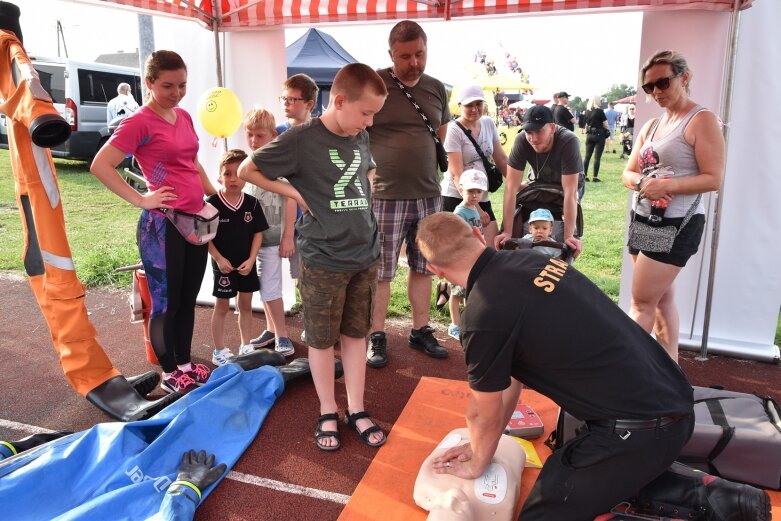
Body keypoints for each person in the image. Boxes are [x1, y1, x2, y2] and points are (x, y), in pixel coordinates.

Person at [417, 212, 695, 520]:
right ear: (478, 234)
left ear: (434, 270)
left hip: (645, 430)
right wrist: (483, 448)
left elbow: (482, 412)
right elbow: (508, 381)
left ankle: (708, 497)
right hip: (672, 396)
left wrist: (476, 462)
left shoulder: (483, 315)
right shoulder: (531, 260)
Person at [237, 63, 388, 451]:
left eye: (373, 114)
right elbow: (247, 168)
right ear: (339, 101)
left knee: (356, 336)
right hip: (323, 257)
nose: (369, 123)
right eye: (366, 113)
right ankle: (326, 409)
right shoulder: (302, 139)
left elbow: (366, 174)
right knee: (321, 340)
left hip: (364, 254)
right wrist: (297, 194)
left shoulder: (360, 135)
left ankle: (356, 408)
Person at [91, 50, 217, 394]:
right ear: (148, 83)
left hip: (195, 221)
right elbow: (101, 165)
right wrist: (142, 199)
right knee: (166, 302)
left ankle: (186, 363)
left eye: (182, 85)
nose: (176, 93)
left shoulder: (185, 117)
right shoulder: (139, 122)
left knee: (188, 298)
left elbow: (192, 163)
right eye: (167, 86)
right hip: (162, 226)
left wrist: (214, 194)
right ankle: (168, 370)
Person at [622, 50, 724, 361]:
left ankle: (626, 376)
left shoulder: (701, 119)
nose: (655, 92)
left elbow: (714, 178)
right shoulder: (652, 124)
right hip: (646, 220)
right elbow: (627, 173)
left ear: (685, 77)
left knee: (641, 304)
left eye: (662, 83)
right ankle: (671, 375)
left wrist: (668, 186)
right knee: (661, 300)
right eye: (648, 87)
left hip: (676, 223)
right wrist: (643, 184)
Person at [366, 20, 451, 368]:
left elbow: (441, 135)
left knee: (423, 266)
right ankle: (376, 334)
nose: (414, 62)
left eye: (419, 54)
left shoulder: (436, 88)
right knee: (381, 270)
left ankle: (420, 329)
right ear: (391, 55)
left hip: (428, 194)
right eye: (405, 56)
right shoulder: (375, 83)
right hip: (385, 195)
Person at [241, 108, 298, 355]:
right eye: (250, 135)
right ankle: (271, 329)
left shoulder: (278, 165)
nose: (254, 141)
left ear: (273, 135)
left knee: (270, 287)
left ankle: (282, 334)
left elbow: (291, 201)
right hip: (255, 240)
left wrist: (287, 237)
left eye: (260, 135)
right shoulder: (247, 164)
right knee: (265, 286)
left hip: (274, 239)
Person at [494, 105, 583, 258]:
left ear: (553, 128)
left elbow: (570, 193)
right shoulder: (522, 140)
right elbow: (510, 188)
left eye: (539, 131)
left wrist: (569, 236)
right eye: (529, 132)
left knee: (565, 220)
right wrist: (507, 232)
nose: (533, 139)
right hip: (538, 181)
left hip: (568, 185)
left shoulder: (569, 141)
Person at [207, 149, 269, 366]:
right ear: (219, 176)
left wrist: (252, 260)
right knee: (222, 307)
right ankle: (219, 350)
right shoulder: (211, 203)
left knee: (245, 305)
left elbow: (257, 234)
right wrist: (218, 258)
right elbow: (206, 237)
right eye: (227, 173)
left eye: (237, 173)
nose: (233, 179)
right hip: (223, 266)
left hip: (246, 264)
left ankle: (246, 345)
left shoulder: (252, 203)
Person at [441, 83, 507, 247]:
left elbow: (501, 158)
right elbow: (457, 175)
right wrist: (475, 208)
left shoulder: (488, 123)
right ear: (459, 106)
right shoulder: (453, 130)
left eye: (478, 104)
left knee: (492, 247)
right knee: (460, 250)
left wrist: (517, 184)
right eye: (469, 105)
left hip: (481, 194)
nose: (474, 109)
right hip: (458, 197)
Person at [414, 428, 525, 521]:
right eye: (457, 509)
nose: (451, 500)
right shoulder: (500, 511)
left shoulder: (423, 490)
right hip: (509, 444)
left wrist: (481, 447)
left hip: (464, 434)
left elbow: (438, 457)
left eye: (438, 506)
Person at [447, 169, 490, 341]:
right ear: (461, 190)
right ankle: (455, 325)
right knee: (457, 293)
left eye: (478, 191)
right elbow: (456, 236)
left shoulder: (473, 210)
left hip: (473, 257)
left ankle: (468, 323)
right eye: (470, 191)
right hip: (462, 259)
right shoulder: (460, 212)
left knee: (469, 292)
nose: (474, 195)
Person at [583, 95, 608, 183]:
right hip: (599, 135)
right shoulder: (600, 111)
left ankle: (584, 176)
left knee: (587, 157)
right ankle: (595, 177)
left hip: (589, 135)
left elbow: (585, 125)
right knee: (597, 157)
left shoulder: (586, 112)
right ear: (597, 101)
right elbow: (606, 124)